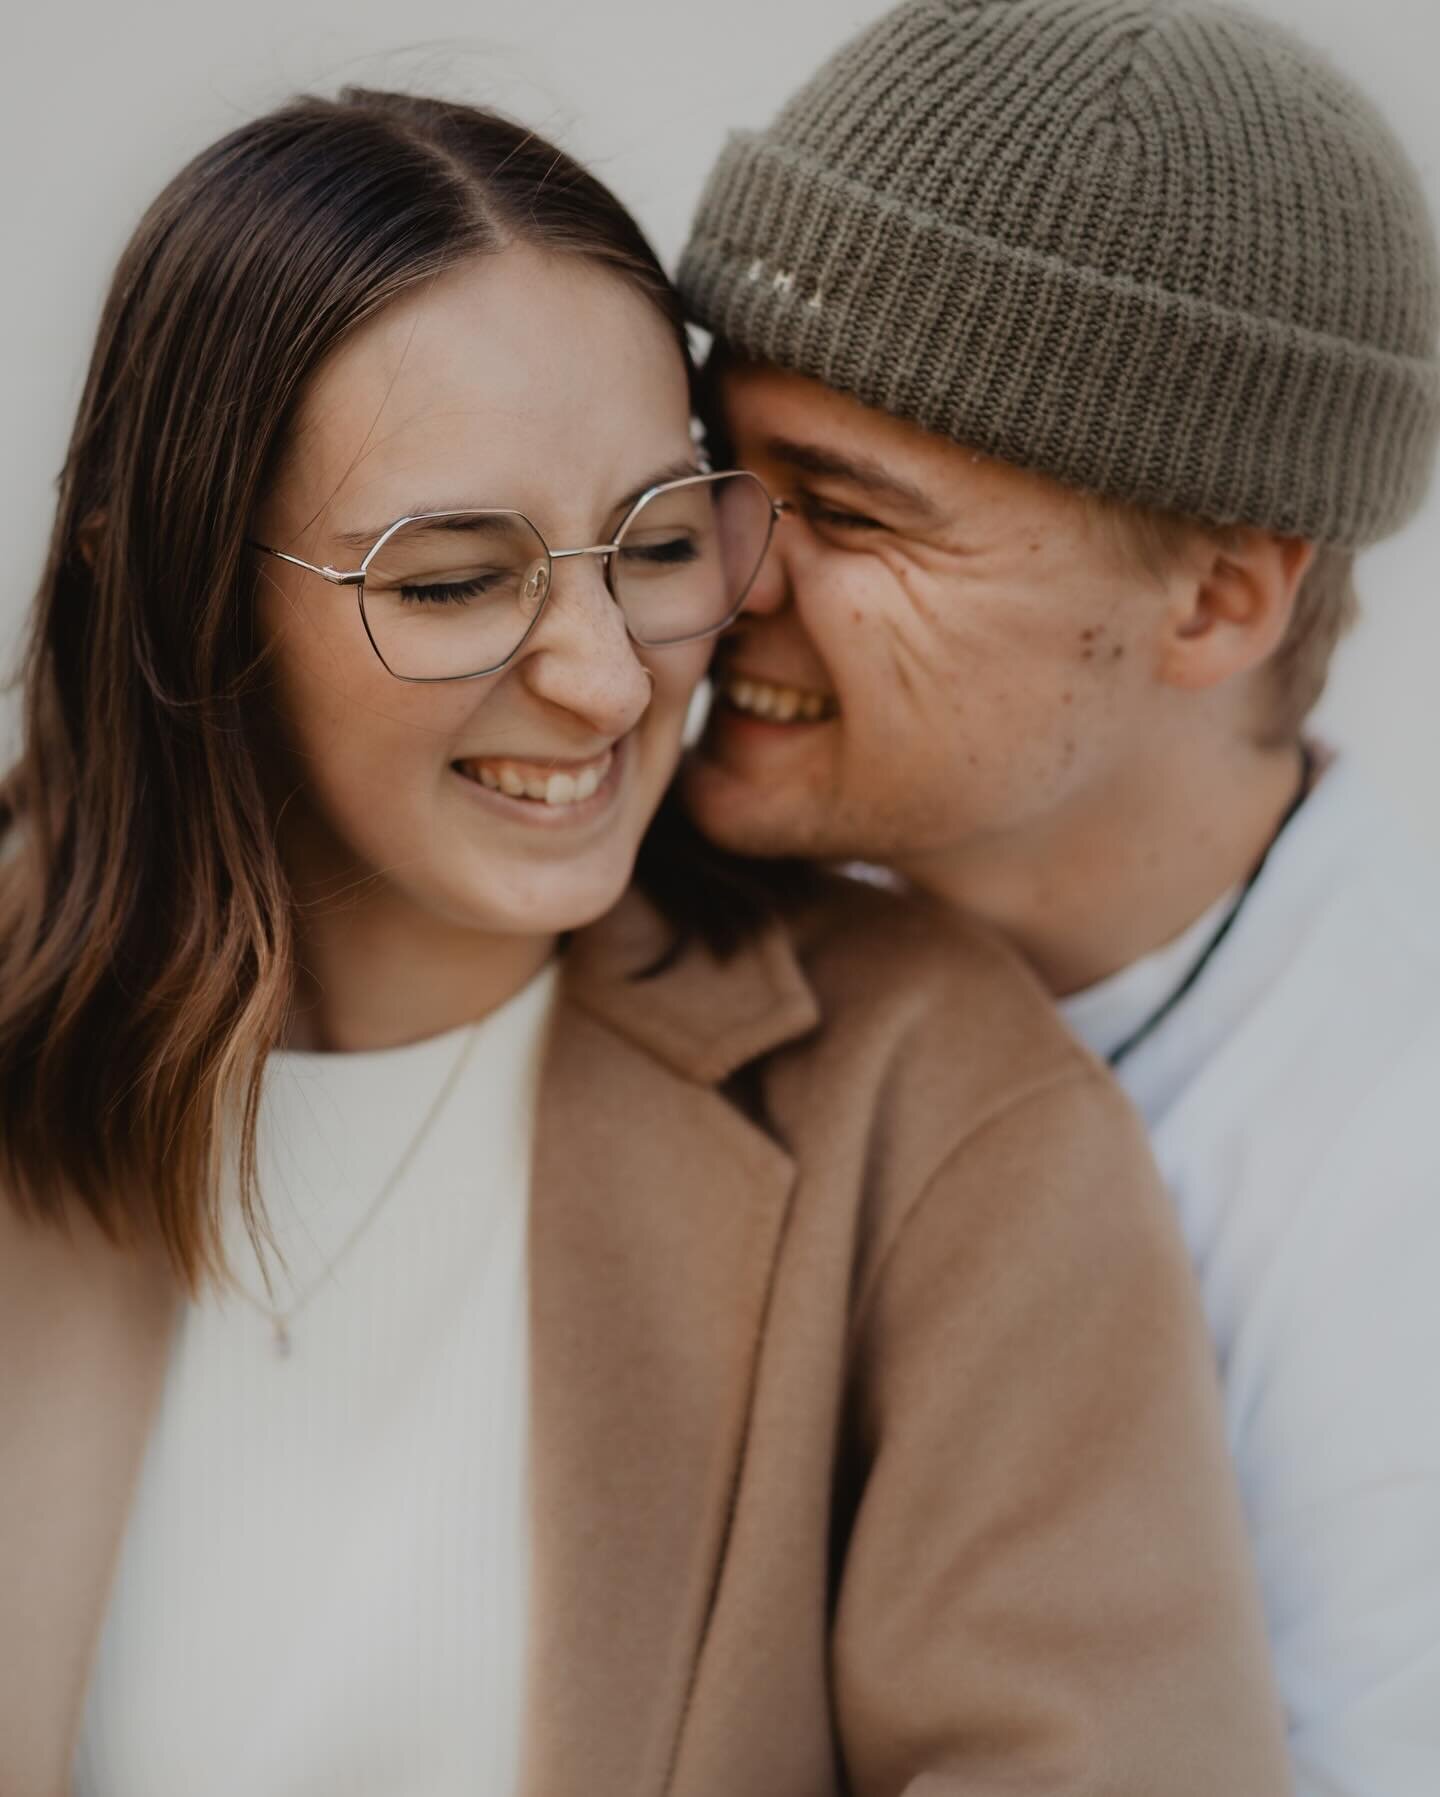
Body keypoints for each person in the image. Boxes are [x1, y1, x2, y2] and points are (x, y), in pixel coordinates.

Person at [0, 85, 1290, 1797]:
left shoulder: (936, 1119)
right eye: (455, 578)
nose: (609, 680)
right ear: (177, 582)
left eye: (663, 544)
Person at [677, 2, 1440, 1791]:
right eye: (717, 470)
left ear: (1217, 604)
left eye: (848, 517)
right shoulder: (630, 928)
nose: (712, 580)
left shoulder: (1390, 1201)